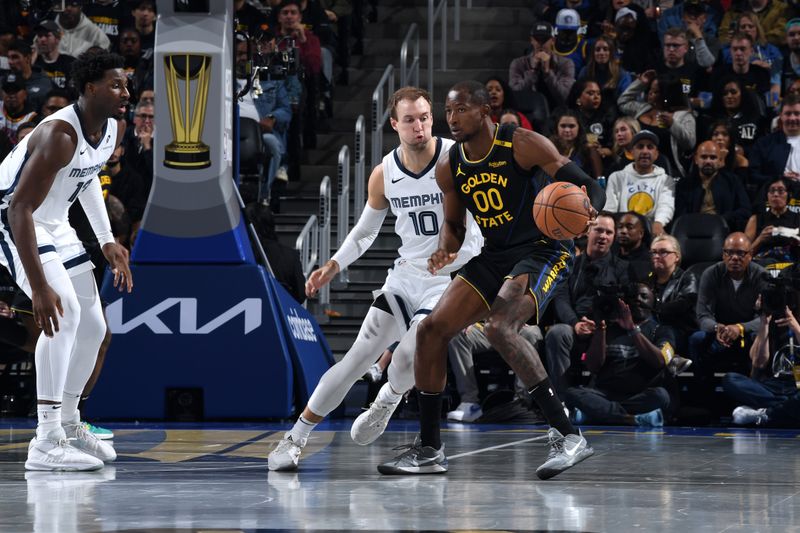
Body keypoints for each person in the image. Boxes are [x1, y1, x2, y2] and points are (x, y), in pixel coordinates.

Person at [372, 80, 605, 478]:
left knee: (500, 327)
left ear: (484, 111)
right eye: (449, 111)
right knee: (431, 330)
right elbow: (453, 225)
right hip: (494, 254)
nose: (453, 118)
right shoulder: (451, 164)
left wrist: (588, 213)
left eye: (461, 109)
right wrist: (445, 247)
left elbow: (589, 185)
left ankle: (568, 435)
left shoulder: (522, 143)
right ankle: (430, 449)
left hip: (541, 249)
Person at [266, 86, 483, 471]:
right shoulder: (385, 173)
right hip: (405, 276)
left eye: (425, 117)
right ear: (394, 123)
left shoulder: (459, 157)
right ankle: (295, 438)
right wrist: (333, 264)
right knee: (356, 358)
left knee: (405, 356)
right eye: (411, 119)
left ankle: (388, 398)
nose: (420, 126)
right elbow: (366, 231)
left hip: (450, 278)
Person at [0, 50, 132, 471]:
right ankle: (45, 438)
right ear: (90, 88)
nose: (125, 92)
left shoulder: (109, 128)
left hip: (55, 222)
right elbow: (18, 208)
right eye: (116, 85)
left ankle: (71, 422)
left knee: (94, 326)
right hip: (14, 219)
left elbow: (89, 174)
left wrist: (107, 239)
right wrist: (39, 287)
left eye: (126, 84)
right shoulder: (59, 134)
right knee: (64, 312)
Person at [563, 283, 673, 427]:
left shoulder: (661, 330)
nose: (637, 300)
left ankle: (596, 415)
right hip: (604, 394)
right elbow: (593, 366)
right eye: (633, 297)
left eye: (643, 296)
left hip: (638, 395)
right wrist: (601, 328)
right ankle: (631, 419)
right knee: (572, 393)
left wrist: (632, 329)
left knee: (661, 396)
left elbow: (660, 361)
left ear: (654, 301)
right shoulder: (608, 329)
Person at [544, 212, 630, 394]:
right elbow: (561, 298)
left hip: (607, 328)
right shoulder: (569, 265)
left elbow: (621, 303)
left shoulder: (622, 268)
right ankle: (562, 400)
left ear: (614, 237)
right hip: (575, 324)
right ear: (588, 232)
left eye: (608, 232)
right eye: (598, 230)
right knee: (557, 333)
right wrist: (575, 324)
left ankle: (597, 395)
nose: (603, 236)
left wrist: (601, 325)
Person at [689, 232, 767, 402]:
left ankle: (755, 395)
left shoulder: (761, 276)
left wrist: (739, 328)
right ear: (723, 254)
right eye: (729, 253)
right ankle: (704, 397)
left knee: (759, 338)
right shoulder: (711, 274)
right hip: (720, 334)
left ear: (750, 255)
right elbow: (702, 316)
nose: (734, 258)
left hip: (747, 336)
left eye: (740, 253)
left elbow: (765, 317)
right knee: (697, 339)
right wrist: (718, 328)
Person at [604, 130, 675, 236]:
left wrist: (659, 223)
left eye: (650, 147)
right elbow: (610, 210)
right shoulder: (617, 177)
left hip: (651, 230)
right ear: (632, 152)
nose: (645, 151)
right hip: (622, 231)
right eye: (640, 147)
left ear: (656, 154)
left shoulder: (666, 180)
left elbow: (666, 206)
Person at [675, 140, 752, 232]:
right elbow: (680, 216)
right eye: (703, 157)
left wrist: (723, 219)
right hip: (692, 232)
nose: (708, 161)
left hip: (725, 231)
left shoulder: (733, 181)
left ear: (720, 161)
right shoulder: (684, 184)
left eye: (713, 157)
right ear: (696, 159)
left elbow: (745, 210)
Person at [649, 234, 698, 360]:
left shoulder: (688, 278)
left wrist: (653, 309)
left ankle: (665, 359)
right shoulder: (647, 281)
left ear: (676, 256)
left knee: (665, 330)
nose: (657, 256)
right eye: (654, 252)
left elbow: (681, 305)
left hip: (679, 331)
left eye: (663, 252)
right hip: (651, 329)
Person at [508, 21, 575, 110]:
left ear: (553, 41)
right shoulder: (518, 63)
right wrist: (532, 71)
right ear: (531, 40)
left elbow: (565, 97)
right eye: (537, 39)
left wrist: (548, 73)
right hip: (527, 112)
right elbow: (514, 96)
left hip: (557, 112)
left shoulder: (566, 64)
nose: (540, 43)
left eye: (544, 39)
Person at [744, 176, 800, 269]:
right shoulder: (756, 219)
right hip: (762, 264)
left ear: (789, 195)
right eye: (772, 191)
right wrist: (760, 239)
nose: (776, 194)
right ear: (767, 195)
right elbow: (743, 254)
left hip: (792, 264)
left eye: (781, 191)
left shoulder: (797, 218)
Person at [32, 21, 76, 92]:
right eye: (40, 36)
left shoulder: (70, 63)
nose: (42, 39)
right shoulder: (34, 62)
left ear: (57, 39)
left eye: (47, 35)